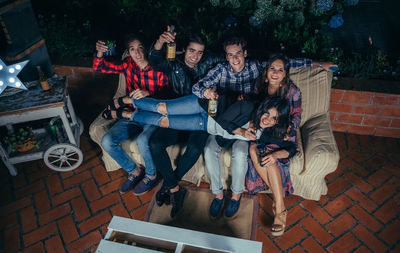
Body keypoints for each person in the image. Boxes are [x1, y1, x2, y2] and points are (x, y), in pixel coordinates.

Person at [146, 26, 224, 218]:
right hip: (177, 118)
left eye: (199, 52)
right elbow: (154, 60)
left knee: (196, 148)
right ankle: (174, 189)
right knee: (155, 143)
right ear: (183, 49)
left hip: (199, 120)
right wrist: (159, 42)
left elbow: (232, 55)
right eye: (191, 51)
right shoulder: (173, 63)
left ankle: (167, 185)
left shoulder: (209, 61)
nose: (195, 56)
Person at [93, 33, 170, 195]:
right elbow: (99, 67)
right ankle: (134, 171)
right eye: (133, 49)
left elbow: (170, 97)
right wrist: (99, 52)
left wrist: (148, 92)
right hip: (132, 115)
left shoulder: (159, 67)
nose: (138, 54)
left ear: (147, 49)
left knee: (143, 140)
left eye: (141, 48)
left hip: (152, 117)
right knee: (107, 141)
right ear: (129, 52)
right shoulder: (128, 64)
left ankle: (151, 175)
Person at [246, 54, 302, 237]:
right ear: (266, 72)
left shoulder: (293, 91)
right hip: (263, 128)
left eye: (280, 70)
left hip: (281, 131)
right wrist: (254, 122)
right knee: (253, 149)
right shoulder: (259, 85)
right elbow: (255, 107)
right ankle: (279, 199)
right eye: (273, 68)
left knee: (271, 158)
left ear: (285, 74)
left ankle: (280, 208)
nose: (276, 73)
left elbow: (296, 116)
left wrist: (288, 130)